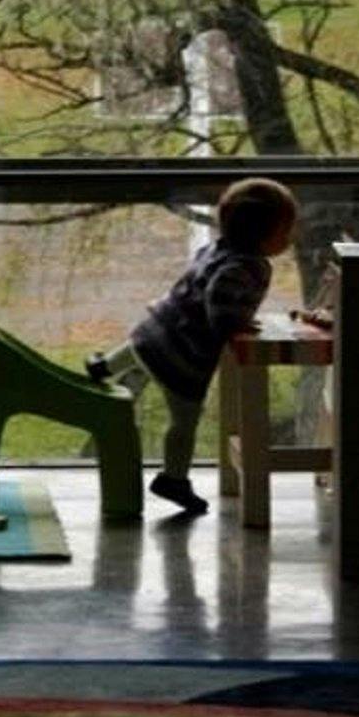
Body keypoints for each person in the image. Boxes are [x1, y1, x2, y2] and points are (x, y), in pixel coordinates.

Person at [85, 178, 300, 516]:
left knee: (141, 348)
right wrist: (233, 324)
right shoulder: (246, 266)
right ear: (265, 234)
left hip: (161, 325)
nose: (290, 239)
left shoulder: (217, 248)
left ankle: (104, 366)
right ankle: (174, 478)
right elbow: (219, 297)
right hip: (184, 351)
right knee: (184, 420)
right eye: (286, 231)